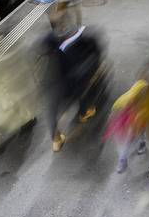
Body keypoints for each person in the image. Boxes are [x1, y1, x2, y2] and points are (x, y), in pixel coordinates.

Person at [40, 11, 107, 152]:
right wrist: (94, 69)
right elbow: (93, 55)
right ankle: (84, 113)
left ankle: (56, 140)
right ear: (66, 23)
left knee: (52, 110)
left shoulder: (48, 39)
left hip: (52, 83)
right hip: (73, 81)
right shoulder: (83, 36)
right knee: (85, 93)